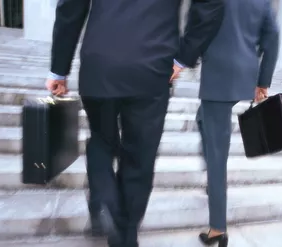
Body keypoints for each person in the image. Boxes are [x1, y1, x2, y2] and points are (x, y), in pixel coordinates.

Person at [45, 0, 224, 246]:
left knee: (101, 140)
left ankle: (107, 203)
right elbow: (211, 5)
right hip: (152, 64)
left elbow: (70, 7)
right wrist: (185, 56)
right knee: (140, 155)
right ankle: (125, 234)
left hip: (100, 64)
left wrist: (59, 70)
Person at [178, 0, 279, 246]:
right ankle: (211, 176)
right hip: (245, 74)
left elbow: (196, 23)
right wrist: (263, 81)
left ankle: (217, 229)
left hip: (219, 77)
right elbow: (273, 37)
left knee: (216, 155)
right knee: (202, 118)